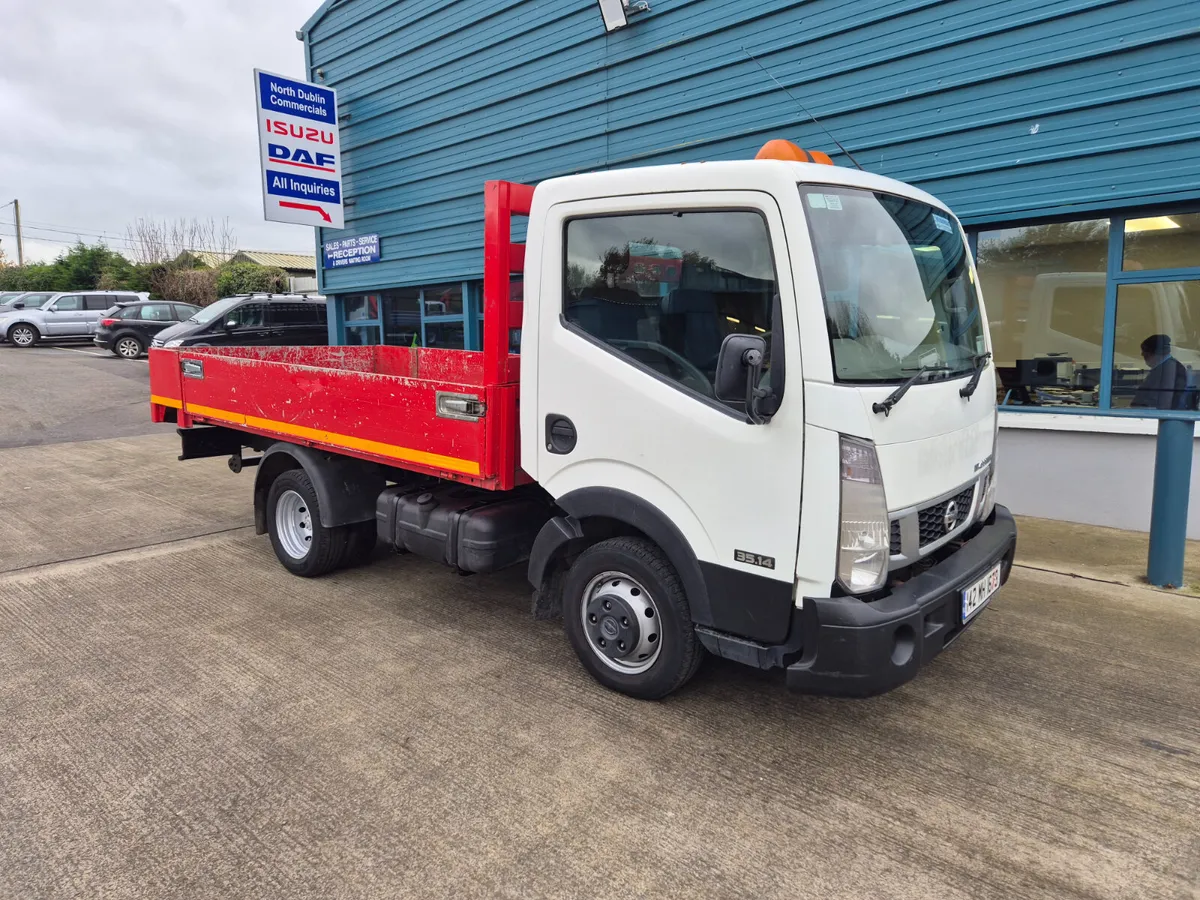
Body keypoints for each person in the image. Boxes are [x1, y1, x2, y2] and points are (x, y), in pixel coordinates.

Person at [1131, 334, 1189, 410]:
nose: (1143, 356)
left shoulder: (1170, 369)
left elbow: (1164, 402)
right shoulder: (1163, 367)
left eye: (1145, 353)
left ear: (1154, 353)